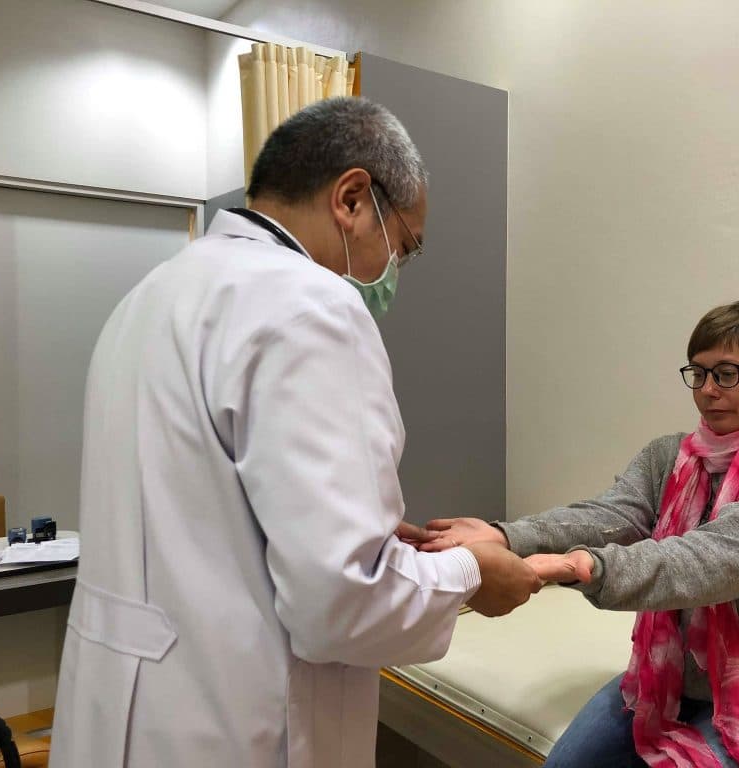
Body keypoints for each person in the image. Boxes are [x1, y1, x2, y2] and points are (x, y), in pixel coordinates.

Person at [49, 97, 541, 768]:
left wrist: (362, 539)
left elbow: (198, 510)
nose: (394, 268)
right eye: (404, 244)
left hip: (127, 711)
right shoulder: (311, 304)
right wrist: (471, 575)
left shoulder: (155, 293)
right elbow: (341, 605)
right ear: (352, 199)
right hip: (234, 727)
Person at [404, 301, 739, 768]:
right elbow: (611, 516)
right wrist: (505, 537)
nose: (708, 390)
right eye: (699, 373)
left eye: (728, 373)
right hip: (679, 683)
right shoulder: (670, 456)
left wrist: (582, 566)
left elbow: (713, 560)